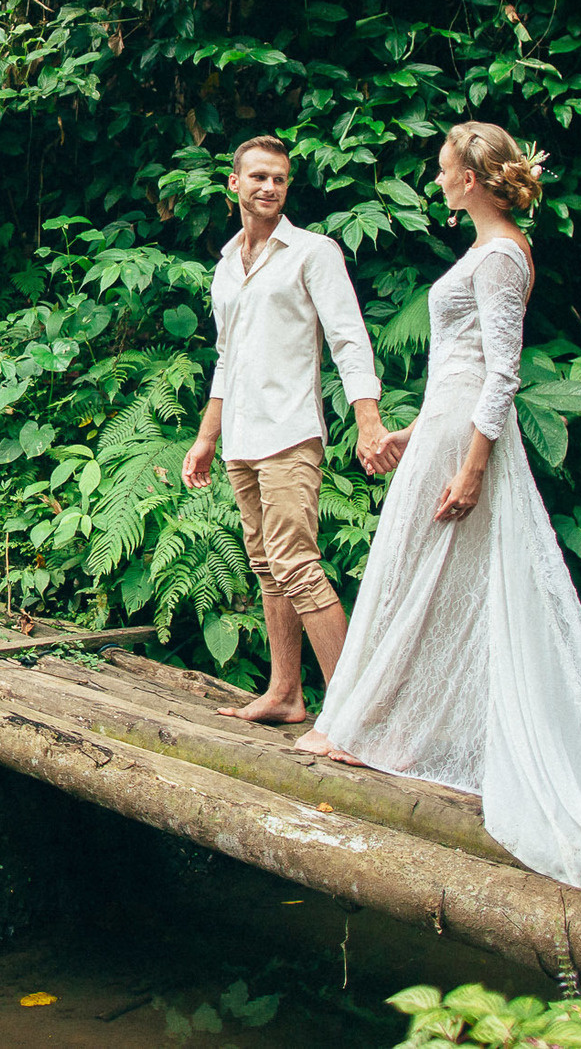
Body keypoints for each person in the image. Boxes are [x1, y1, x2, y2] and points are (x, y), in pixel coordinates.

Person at [299, 122, 581, 891]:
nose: (440, 179)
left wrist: (473, 466)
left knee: (428, 575)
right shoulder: (485, 250)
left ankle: (363, 728)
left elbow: (502, 373)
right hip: (445, 428)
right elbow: (461, 367)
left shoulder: (501, 257)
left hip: (470, 439)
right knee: (417, 574)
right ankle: (378, 727)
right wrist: (407, 431)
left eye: (447, 169)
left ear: (475, 178)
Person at [183, 135, 397, 727]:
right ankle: (285, 694)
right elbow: (227, 357)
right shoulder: (226, 266)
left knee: (297, 565)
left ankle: (357, 718)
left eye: (278, 178)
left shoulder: (312, 252)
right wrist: (206, 437)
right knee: (266, 568)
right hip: (242, 439)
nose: (269, 187)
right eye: (257, 177)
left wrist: (368, 418)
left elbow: (349, 337)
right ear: (234, 184)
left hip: (291, 432)